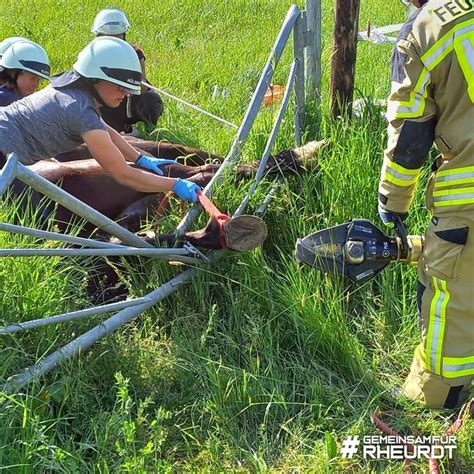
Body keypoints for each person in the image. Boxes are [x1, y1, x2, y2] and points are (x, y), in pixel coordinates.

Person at [378, 0, 473, 409]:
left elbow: (411, 131)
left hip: (466, 200)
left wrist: (393, 200)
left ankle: (434, 400)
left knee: (448, 300)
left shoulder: (427, 26)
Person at [0, 36, 199, 203]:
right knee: (35, 223)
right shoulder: (80, 111)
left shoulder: (71, 90)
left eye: (129, 89)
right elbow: (123, 174)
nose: (126, 94)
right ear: (95, 79)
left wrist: (139, 158)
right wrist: (175, 184)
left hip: (8, 151)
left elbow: (103, 128)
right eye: (120, 87)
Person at [91, 7, 164, 135]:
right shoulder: (93, 55)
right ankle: (123, 129)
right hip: (110, 105)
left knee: (151, 99)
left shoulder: (135, 53)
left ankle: (150, 132)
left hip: (133, 102)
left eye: (117, 36)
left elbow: (142, 87)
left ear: (124, 35)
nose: (114, 40)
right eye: (109, 37)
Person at [0, 38, 50, 106]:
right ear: (13, 74)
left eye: (39, 80)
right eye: (32, 78)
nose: (36, 85)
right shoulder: (11, 99)